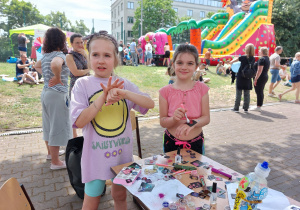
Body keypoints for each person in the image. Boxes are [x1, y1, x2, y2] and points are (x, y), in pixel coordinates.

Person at [70, 30, 154, 209]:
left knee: (120, 197)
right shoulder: (82, 84)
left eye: (107, 55)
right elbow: (79, 121)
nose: (101, 60)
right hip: (95, 158)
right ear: (88, 57)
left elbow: (149, 104)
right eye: (96, 55)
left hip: (122, 158)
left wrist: (124, 93)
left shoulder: (123, 84)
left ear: (116, 59)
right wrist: (103, 97)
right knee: (91, 200)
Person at [159, 44, 210, 155]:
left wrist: (191, 123)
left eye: (190, 63)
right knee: (171, 171)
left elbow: (206, 118)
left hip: (196, 144)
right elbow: (162, 121)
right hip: (171, 143)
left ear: (196, 66)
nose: (184, 67)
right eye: (180, 62)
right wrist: (173, 119)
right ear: (173, 65)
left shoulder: (202, 89)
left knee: (195, 172)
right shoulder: (164, 92)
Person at [34, 27, 72, 170]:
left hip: (46, 93)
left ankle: (51, 153)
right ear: (61, 40)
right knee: (56, 126)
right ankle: (55, 162)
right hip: (57, 94)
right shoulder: (60, 55)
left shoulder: (45, 56)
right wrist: (56, 77)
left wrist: (47, 76)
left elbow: (37, 66)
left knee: (48, 124)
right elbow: (55, 64)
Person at [66, 33, 90, 138]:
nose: (80, 45)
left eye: (81, 42)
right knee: (75, 112)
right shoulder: (69, 56)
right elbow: (75, 72)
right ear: (71, 44)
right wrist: (88, 70)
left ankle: (88, 136)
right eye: (77, 43)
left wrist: (85, 55)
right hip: (75, 86)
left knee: (88, 110)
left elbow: (93, 65)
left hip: (87, 85)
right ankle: (75, 138)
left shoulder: (85, 54)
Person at [230, 43, 255, 113]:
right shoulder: (253, 58)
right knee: (247, 93)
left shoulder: (243, 57)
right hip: (248, 78)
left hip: (241, 77)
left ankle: (236, 108)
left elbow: (235, 60)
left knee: (239, 93)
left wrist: (231, 62)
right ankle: (246, 108)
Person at [252, 47, 270, 112]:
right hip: (264, 76)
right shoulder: (267, 58)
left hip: (260, 77)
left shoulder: (262, 59)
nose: (258, 51)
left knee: (259, 91)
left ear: (262, 52)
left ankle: (258, 106)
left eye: (259, 51)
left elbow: (259, 70)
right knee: (260, 91)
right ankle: (259, 105)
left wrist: (255, 79)